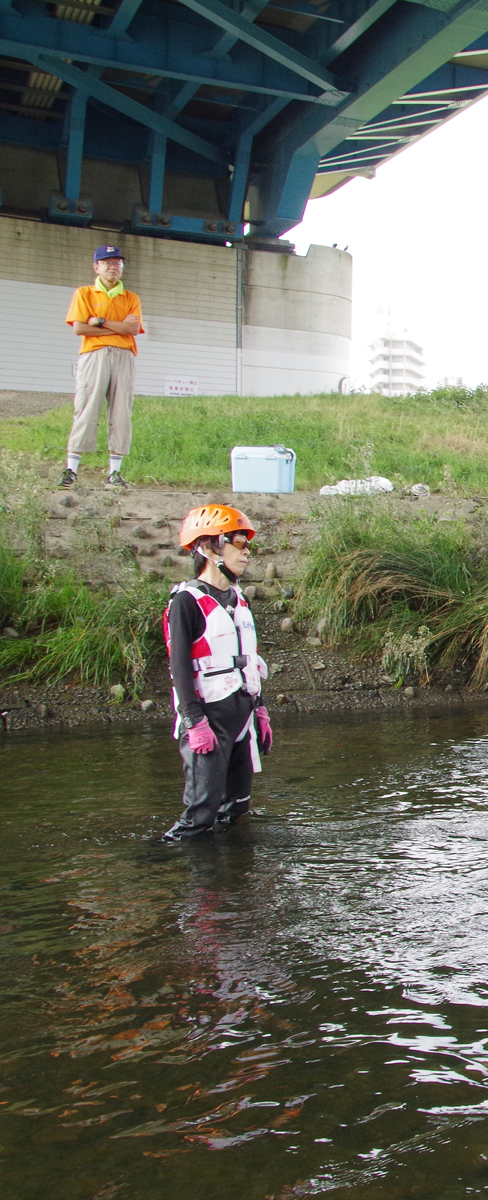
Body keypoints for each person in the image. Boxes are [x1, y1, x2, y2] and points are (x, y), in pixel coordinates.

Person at [161, 504, 271, 840]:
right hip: (208, 715)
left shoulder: (238, 599)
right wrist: (194, 721)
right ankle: (161, 865)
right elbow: (179, 666)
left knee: (236, 809)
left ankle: (236, 884)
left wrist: (260, 707)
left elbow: (248, 659)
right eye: (239, 543)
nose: (247, 552)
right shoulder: (187, 601)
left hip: (241, 712)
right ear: (209, 547)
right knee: (200, 816)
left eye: (248, 545)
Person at [61, 245, 144, 489]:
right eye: (107, 262)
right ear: (96, 267)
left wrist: (100, 322)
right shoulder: (84, 293)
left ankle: (115, 472)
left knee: (121, 411)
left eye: (117, 263)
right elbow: (79, 328)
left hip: (124, 355)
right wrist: (117, 326)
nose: (113, 267)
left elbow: (133, 329)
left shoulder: (131, 297)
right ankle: (71, 469)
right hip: (94, 355)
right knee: (86, 406)